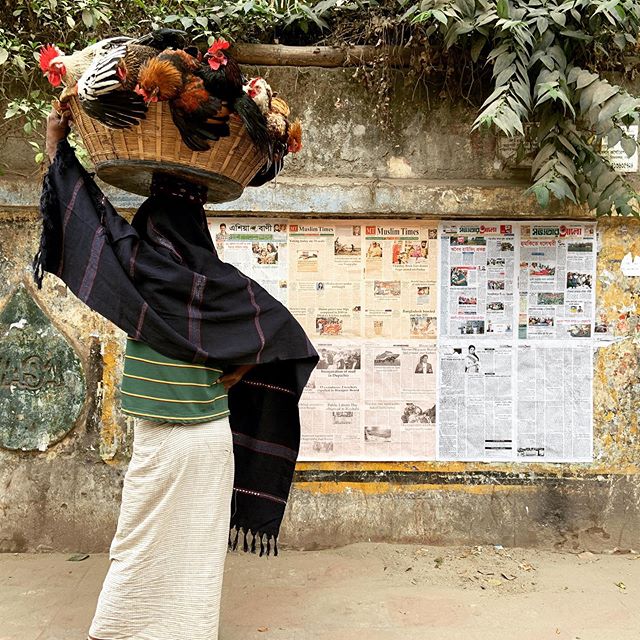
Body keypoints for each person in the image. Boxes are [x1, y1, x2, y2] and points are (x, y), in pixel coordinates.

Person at [40, 109, 318, 640]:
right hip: (205, 441)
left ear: (150, 224)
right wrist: (232, 374)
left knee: (139, 544)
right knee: (192, 551)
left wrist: (59, 145)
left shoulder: (134, 270)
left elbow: (85, 221)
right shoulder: (220, 288)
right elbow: (285, 335)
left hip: (167, 441)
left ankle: (122, 631)